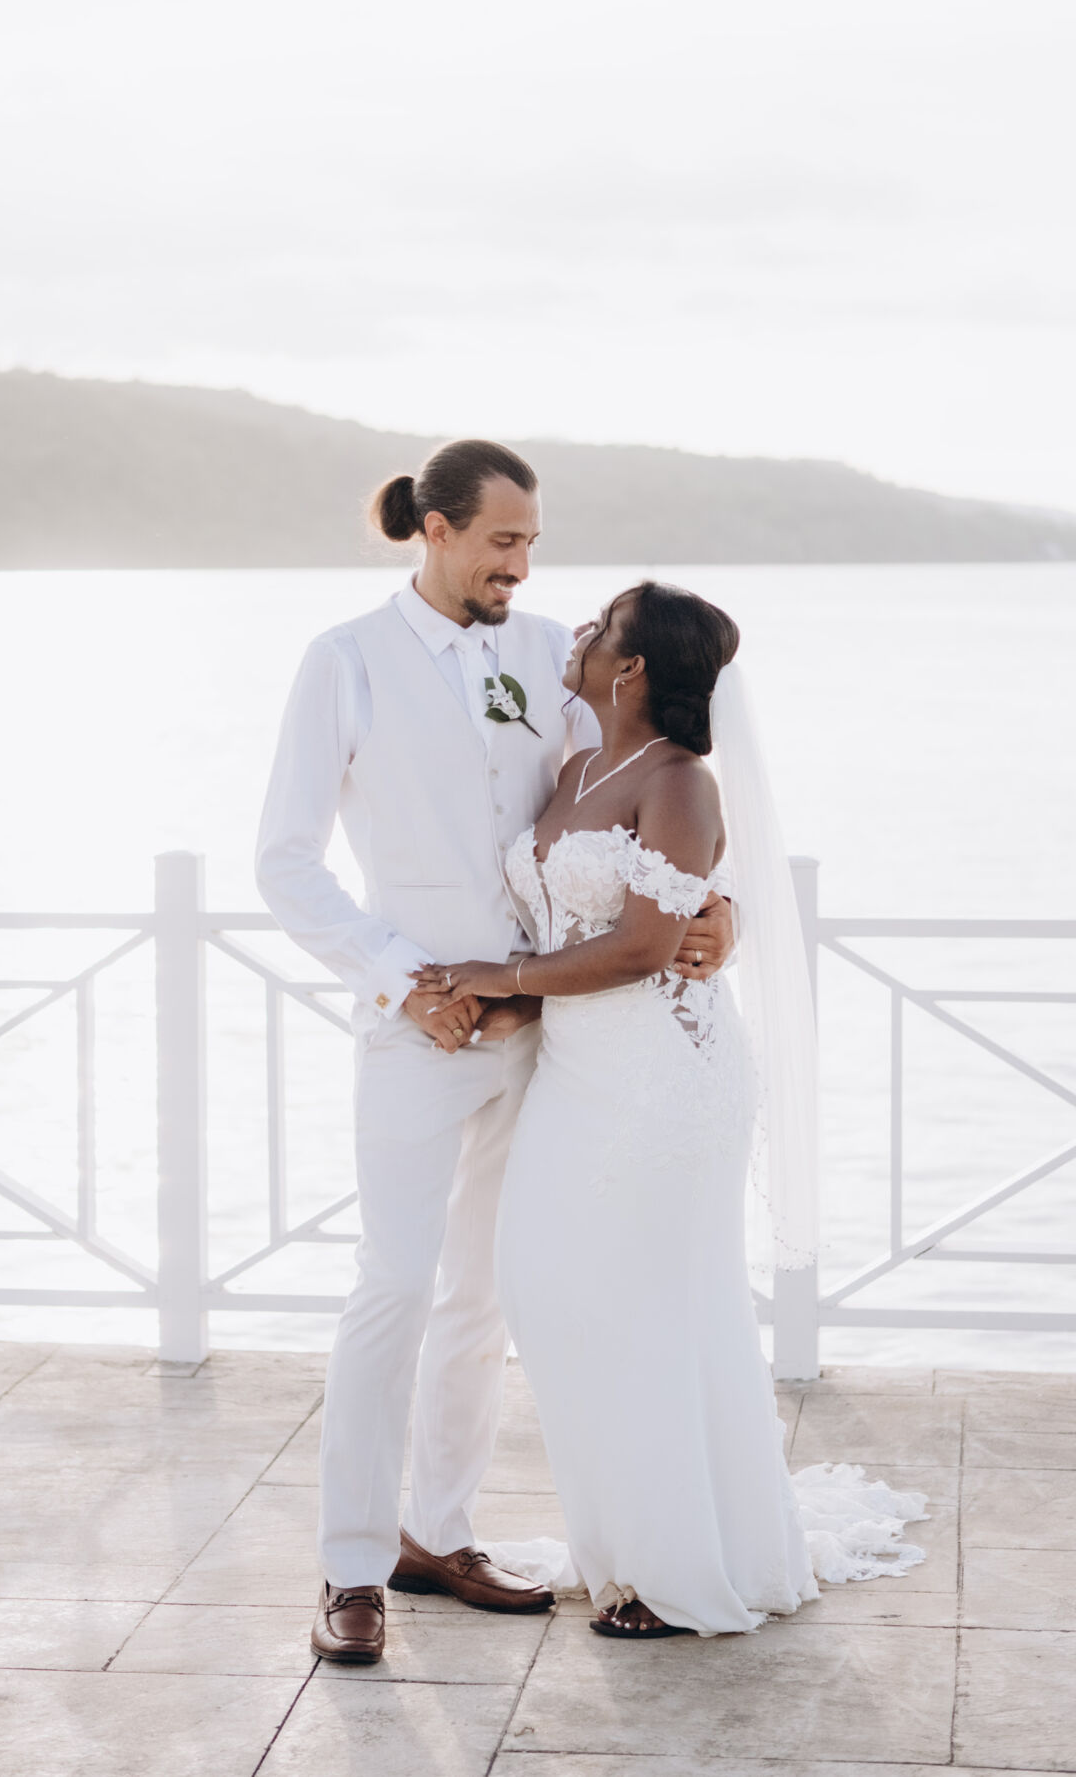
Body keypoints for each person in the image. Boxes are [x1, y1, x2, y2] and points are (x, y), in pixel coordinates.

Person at [255, 444, 734, 1664]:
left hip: (546, 1034)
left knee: (481, 1294)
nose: (520, 566)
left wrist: (709, 905)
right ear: (434, 528)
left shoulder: (544, 657)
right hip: (415, 1027)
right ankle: (351, 1563)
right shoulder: (344, 660)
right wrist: (400, 981)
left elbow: (629, 787)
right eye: (500, 542)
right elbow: (285, 860)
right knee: (392, 1285)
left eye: (530, 543)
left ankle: (440, 1531)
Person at [415, 581, 927, 1637]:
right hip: (574, 1073)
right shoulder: (575, 767)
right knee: (547, 1293)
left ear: (634, 664)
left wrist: (501, 973)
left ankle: (668, 1567)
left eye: (601, 626)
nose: (578, 633)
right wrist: (512, 1003)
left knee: (650, 1312)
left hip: (666, 1079)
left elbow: (646, 945)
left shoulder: (681, 782)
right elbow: (578, 926)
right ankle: (621, 1539)